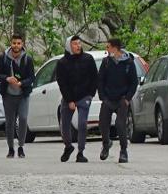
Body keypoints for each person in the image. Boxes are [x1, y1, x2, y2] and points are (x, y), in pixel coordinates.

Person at [0, 33, 35, 159]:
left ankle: (21, 147)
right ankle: (11, 148)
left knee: (23, 118)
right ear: (11, 44)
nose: (16, 46)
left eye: (19, 43)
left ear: (22, 45)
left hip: (23, 95)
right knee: (10, 122)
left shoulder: (27, 59)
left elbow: (32, 77)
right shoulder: (3, 58)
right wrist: (7, 78)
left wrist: (22, 83)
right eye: (14, 43)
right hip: (8, 95)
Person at [56, 35, 97, 163]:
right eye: (75, 44)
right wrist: (69, 100)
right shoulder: (62, 63)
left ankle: (81, 152)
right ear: (69, 46)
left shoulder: (88, 59)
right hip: (69, 97)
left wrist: (90, 94)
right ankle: (68, 146)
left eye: (79, 43)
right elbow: (62, 83)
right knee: (65, 125)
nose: (78, 46)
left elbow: (95, 77)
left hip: (84, 96)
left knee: (82, 124)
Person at [98, 37, 138, 164]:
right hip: (108, 98)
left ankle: (123, 151)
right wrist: (102, 97)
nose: (107, 49)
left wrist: (127, 98)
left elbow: (134, 82)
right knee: (103, 123)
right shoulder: (106, 62)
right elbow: (100, 80)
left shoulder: (129, 63)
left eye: (108, 47)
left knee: (120, 125)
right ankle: (106, 144)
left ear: (115, 48)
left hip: (122, 99)